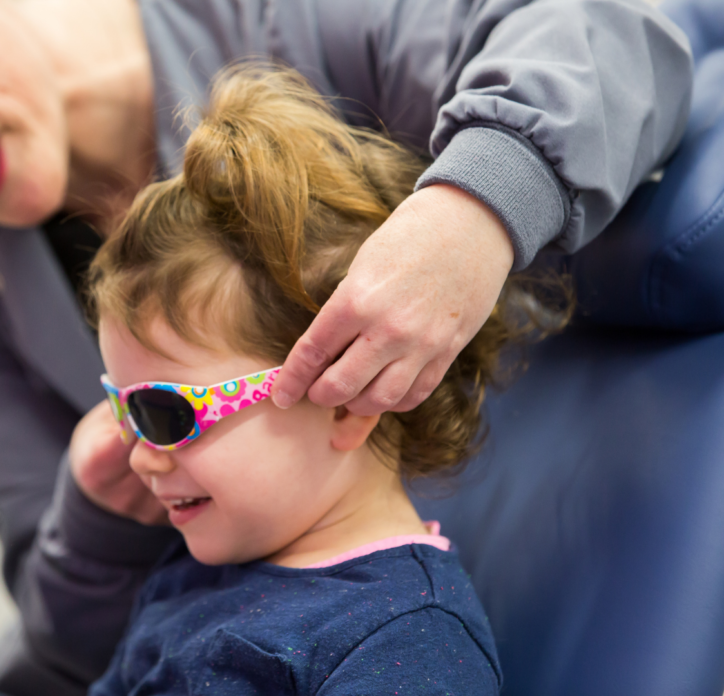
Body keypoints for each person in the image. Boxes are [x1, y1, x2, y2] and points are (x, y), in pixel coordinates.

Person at [0, 0, 692, 692]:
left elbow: (607, 33)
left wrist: (478, 212)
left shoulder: (398, 638)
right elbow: (63, 652)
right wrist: (90, 526)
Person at [86, 66, 568, 695]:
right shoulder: (197, 568)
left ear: (347, 399)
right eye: (124, 409)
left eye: (164, 414)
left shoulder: (404, 642)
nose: (141, 458)